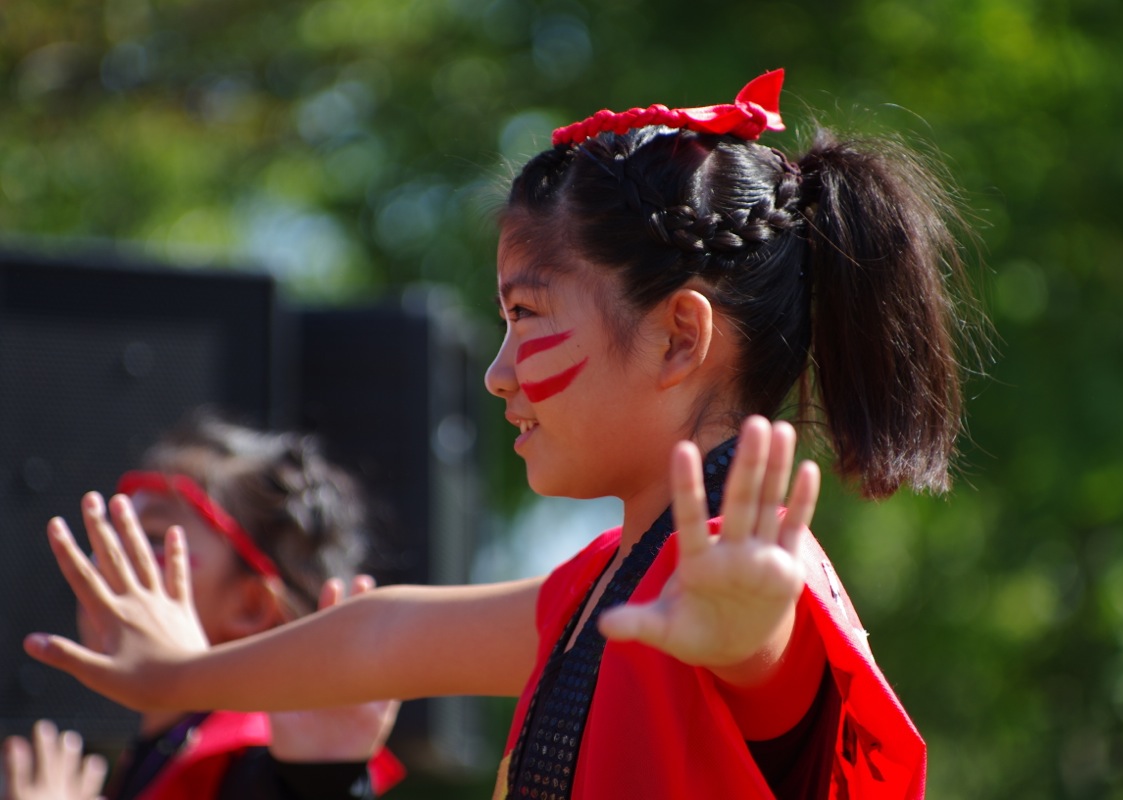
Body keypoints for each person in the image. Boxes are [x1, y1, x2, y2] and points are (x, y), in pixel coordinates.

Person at [24, 69, 979, 799]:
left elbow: (769, 666)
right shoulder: (607, 580)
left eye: (526, 317)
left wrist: (752, 642)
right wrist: (181, 671)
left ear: (679, 335)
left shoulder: (739, 576)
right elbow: (382, 634)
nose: (496, 372)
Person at [6, 412, 405, 800]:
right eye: (113, 532)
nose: (104, 559)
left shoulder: (257, 767)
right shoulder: (158, 755)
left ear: (249, 606)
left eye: (153, 539)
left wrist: (320, 781)